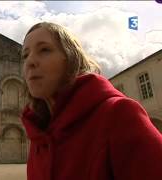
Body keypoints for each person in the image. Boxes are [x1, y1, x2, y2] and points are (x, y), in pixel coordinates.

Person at [20, 22, 162, 180]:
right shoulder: (39, 134)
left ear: (70, 58)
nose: (30, 61)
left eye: (44, 50)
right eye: (25, 55)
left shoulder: (118, 114)